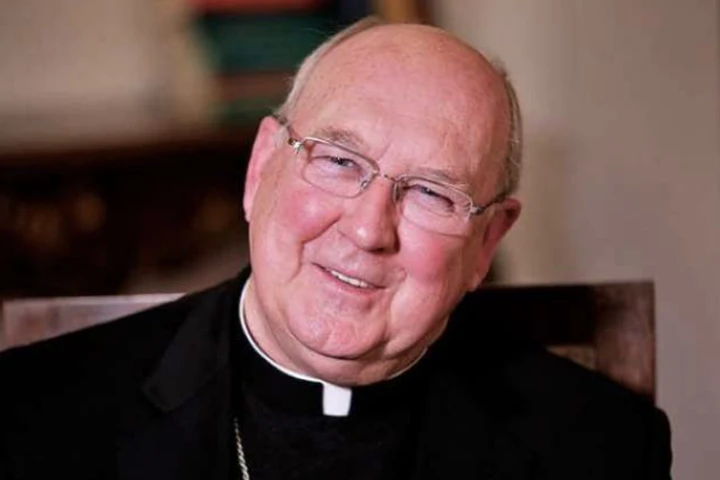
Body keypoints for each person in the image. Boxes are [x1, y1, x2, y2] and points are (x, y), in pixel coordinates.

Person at [0, 18, 671, 480]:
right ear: (261, 168)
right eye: (339, 161)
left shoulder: (601, 446)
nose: (369, 230)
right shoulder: (30, 416)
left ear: (487, 242)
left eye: (432, 193)